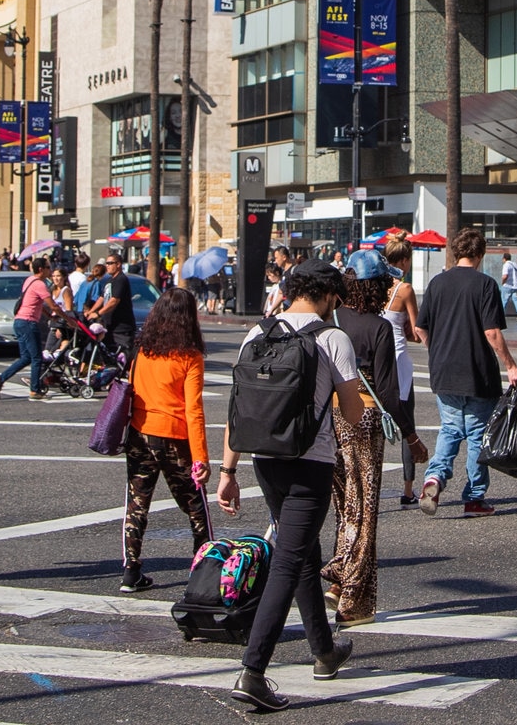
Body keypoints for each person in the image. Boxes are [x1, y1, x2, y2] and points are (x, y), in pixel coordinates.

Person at [214, 260, 365, 713]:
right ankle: (253, 671)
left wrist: (227, 471)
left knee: (301, 554)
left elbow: (239, 406)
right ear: (327, 296)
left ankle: (324, 651)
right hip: (310, 465)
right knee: (287, 561)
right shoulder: (331, 338)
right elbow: (355, 413)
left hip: (265, 461)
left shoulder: (257, 333)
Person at [416, 227, 517, 516]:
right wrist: (510, 365)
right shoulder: (485, 285)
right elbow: (492, 332)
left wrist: (435, 350)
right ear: (480, 254)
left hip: (443, 370)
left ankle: (435, 476)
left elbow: (419, 327)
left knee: (450, 429)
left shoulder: (437, 283)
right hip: (477, 372)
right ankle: (474, 497)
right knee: (477, 434)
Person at [119, 285, 210, 595]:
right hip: (172, 435)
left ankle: (131, 570)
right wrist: (201, 458)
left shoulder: (143, 348)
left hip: (139, 430)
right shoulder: (190, 355)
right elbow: (193, 409)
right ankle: (204, 568)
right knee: (196, 506)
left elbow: (132, 386)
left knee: (137, 501)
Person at [323, 253, 398, 623]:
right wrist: (410, 434)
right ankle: (355, 600)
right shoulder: (379, 328)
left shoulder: (332, 320)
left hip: (330, 414)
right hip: (365, 416)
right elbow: (388, 389)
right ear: (378, 286)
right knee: (365, 506)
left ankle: (338, 575)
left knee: (344, 502)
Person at [375, 237, 426, 506]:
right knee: (407, 422)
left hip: (376, 360)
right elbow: (416, 331)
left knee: (376, 420)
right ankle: (407, 490)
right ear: (404, 261)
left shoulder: (375, 286)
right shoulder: (404, 289)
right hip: (398, 359)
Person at [0, 266, 55, 399]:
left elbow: (35, 302)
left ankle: (0, 379)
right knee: (37, 357)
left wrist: (48, 315)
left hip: (19, 321)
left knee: (26, 357)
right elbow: (52, 304)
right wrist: (66, 319)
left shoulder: (29, 280)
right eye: (48, 267)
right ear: (41, 269)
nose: (50, 270)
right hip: (28, 322)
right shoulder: (39, 284)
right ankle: (34, 390)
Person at [92, 254, 139, 363]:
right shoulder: (109, 281)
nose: (107, 266)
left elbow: (114, 300)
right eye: (106, 263)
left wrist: (98, 313)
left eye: (110, 263)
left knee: (122, 358)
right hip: (109, 326)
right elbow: (102, 298)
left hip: (122, 328)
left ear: (118, 264)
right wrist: (90, 312)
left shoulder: (121, 279)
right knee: (108, 357)